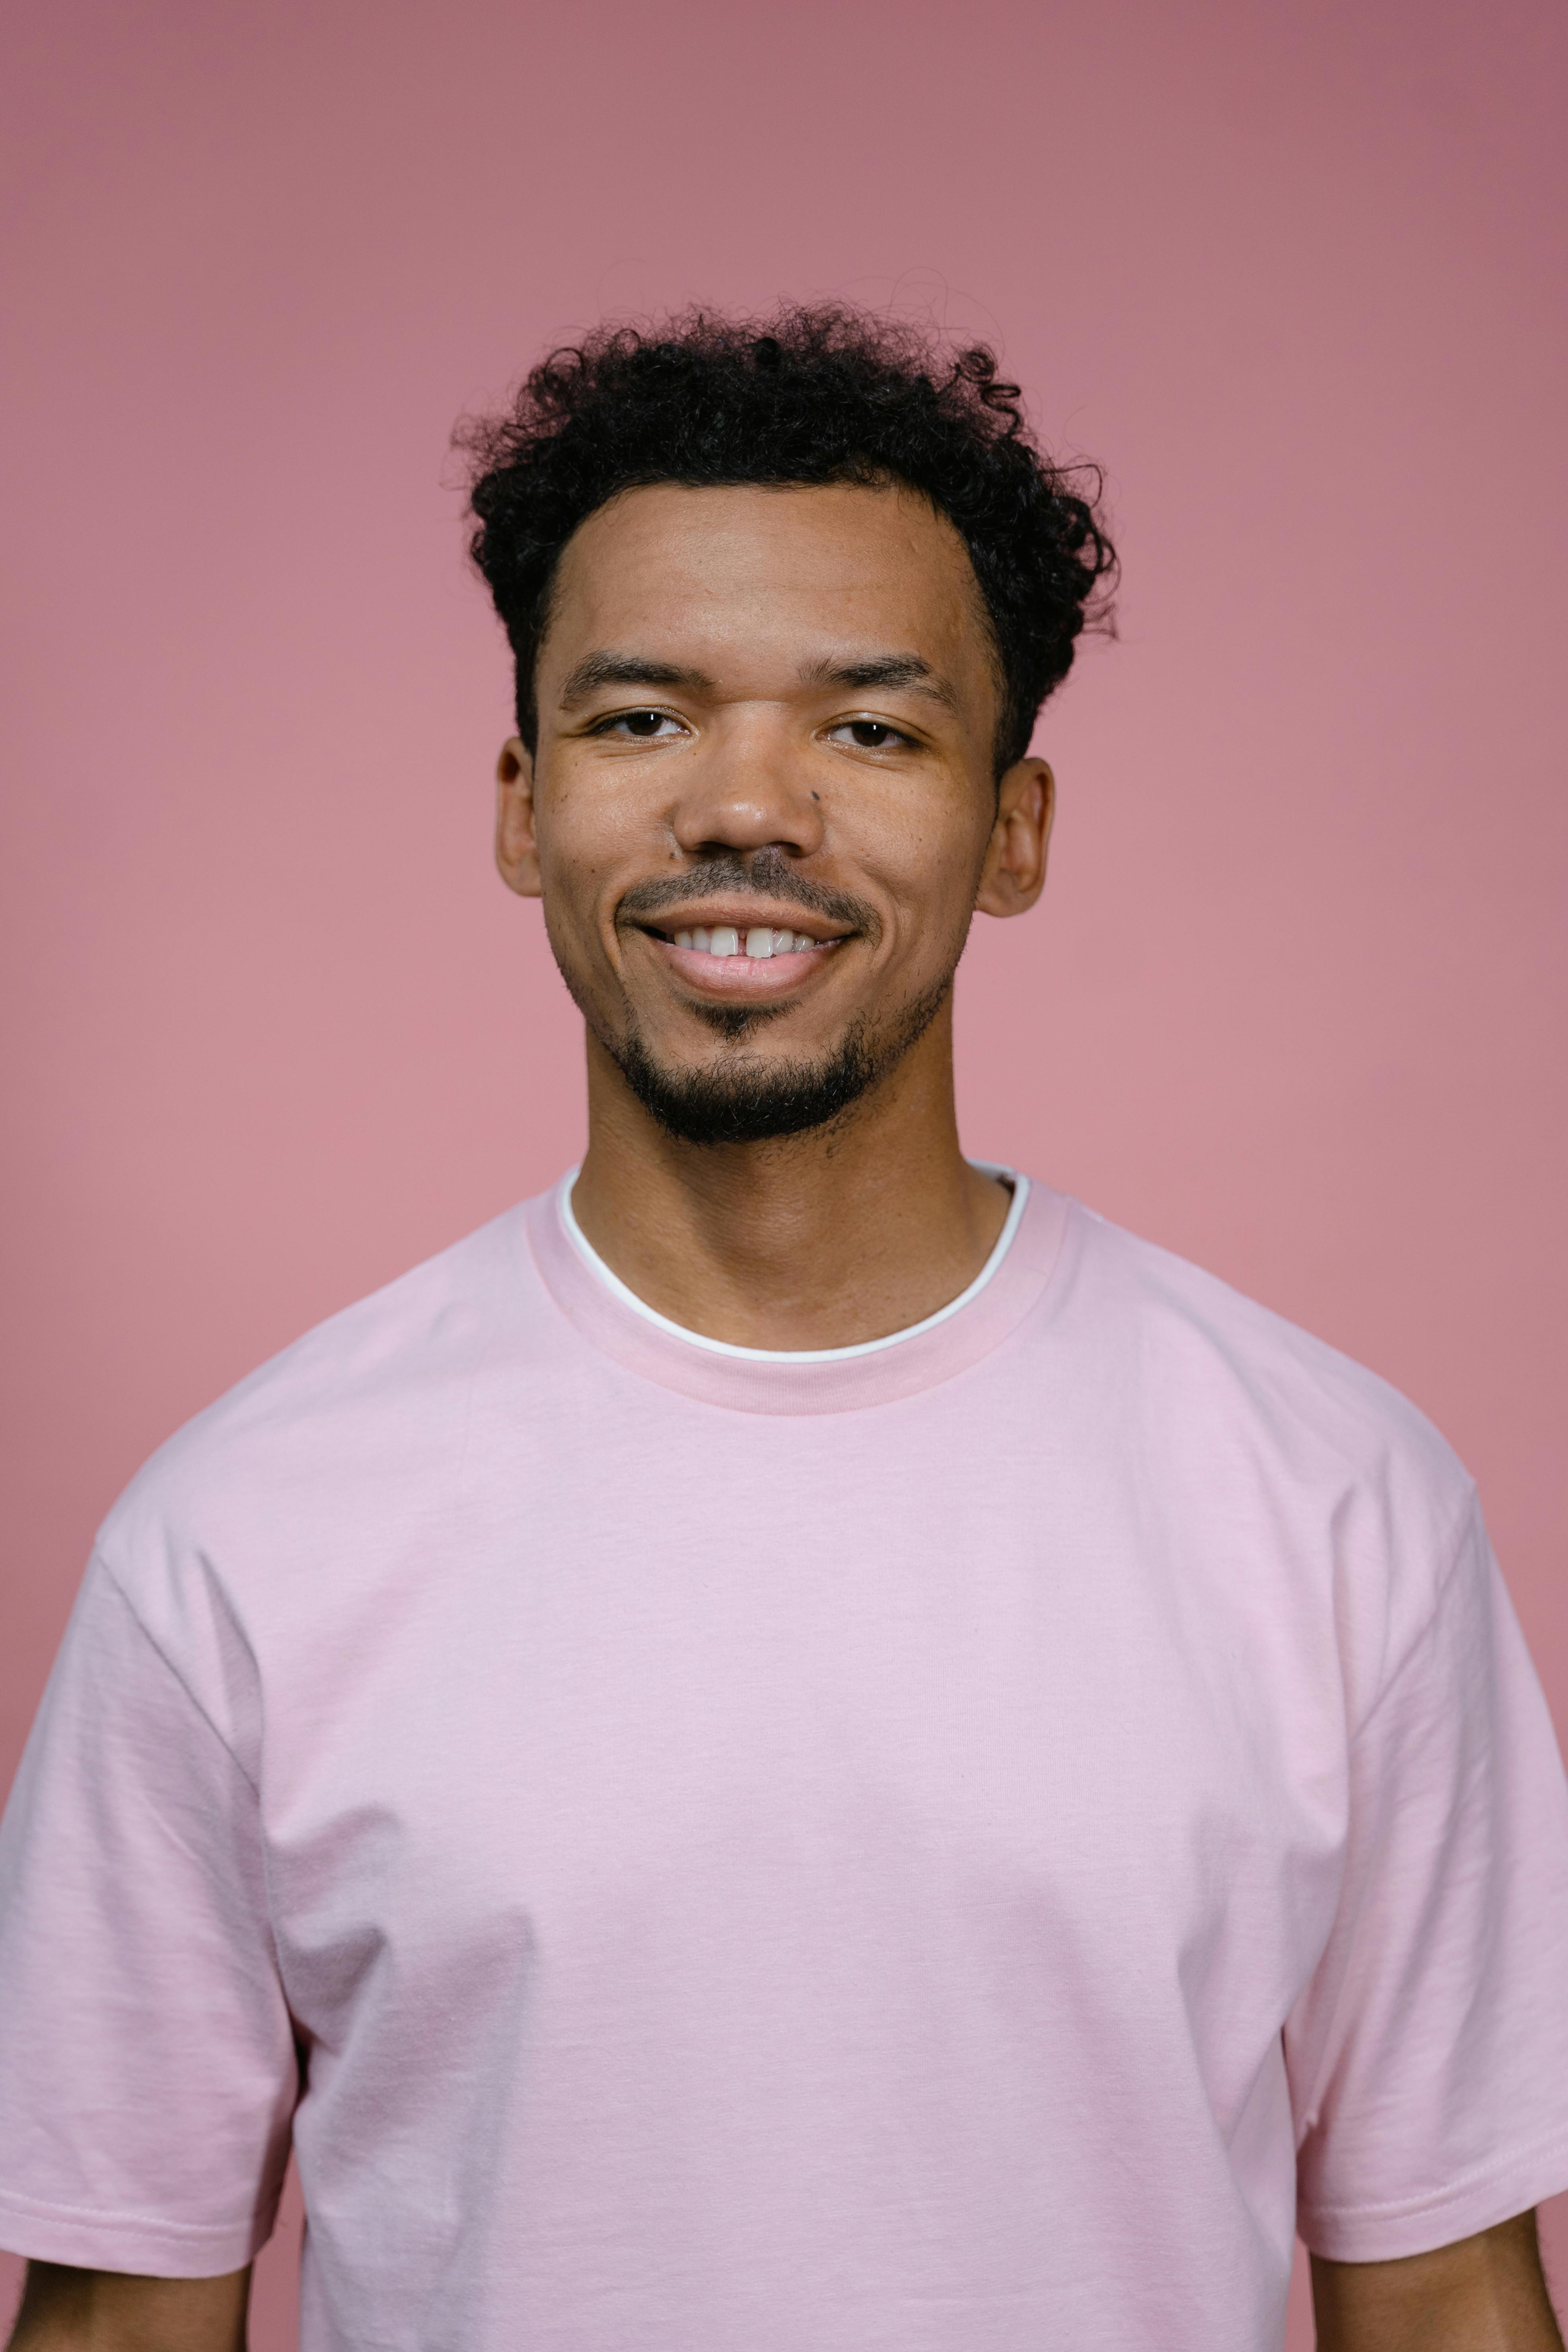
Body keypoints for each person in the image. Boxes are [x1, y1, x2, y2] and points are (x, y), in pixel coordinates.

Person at [2, 306, 1566, 2352]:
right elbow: (122, 2322)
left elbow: (1445, 2295)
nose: (748, 808)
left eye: (870, 728)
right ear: (518, 803)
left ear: (1011, 830)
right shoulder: (238, 1538)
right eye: (643, 718)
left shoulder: (1335, 1502)